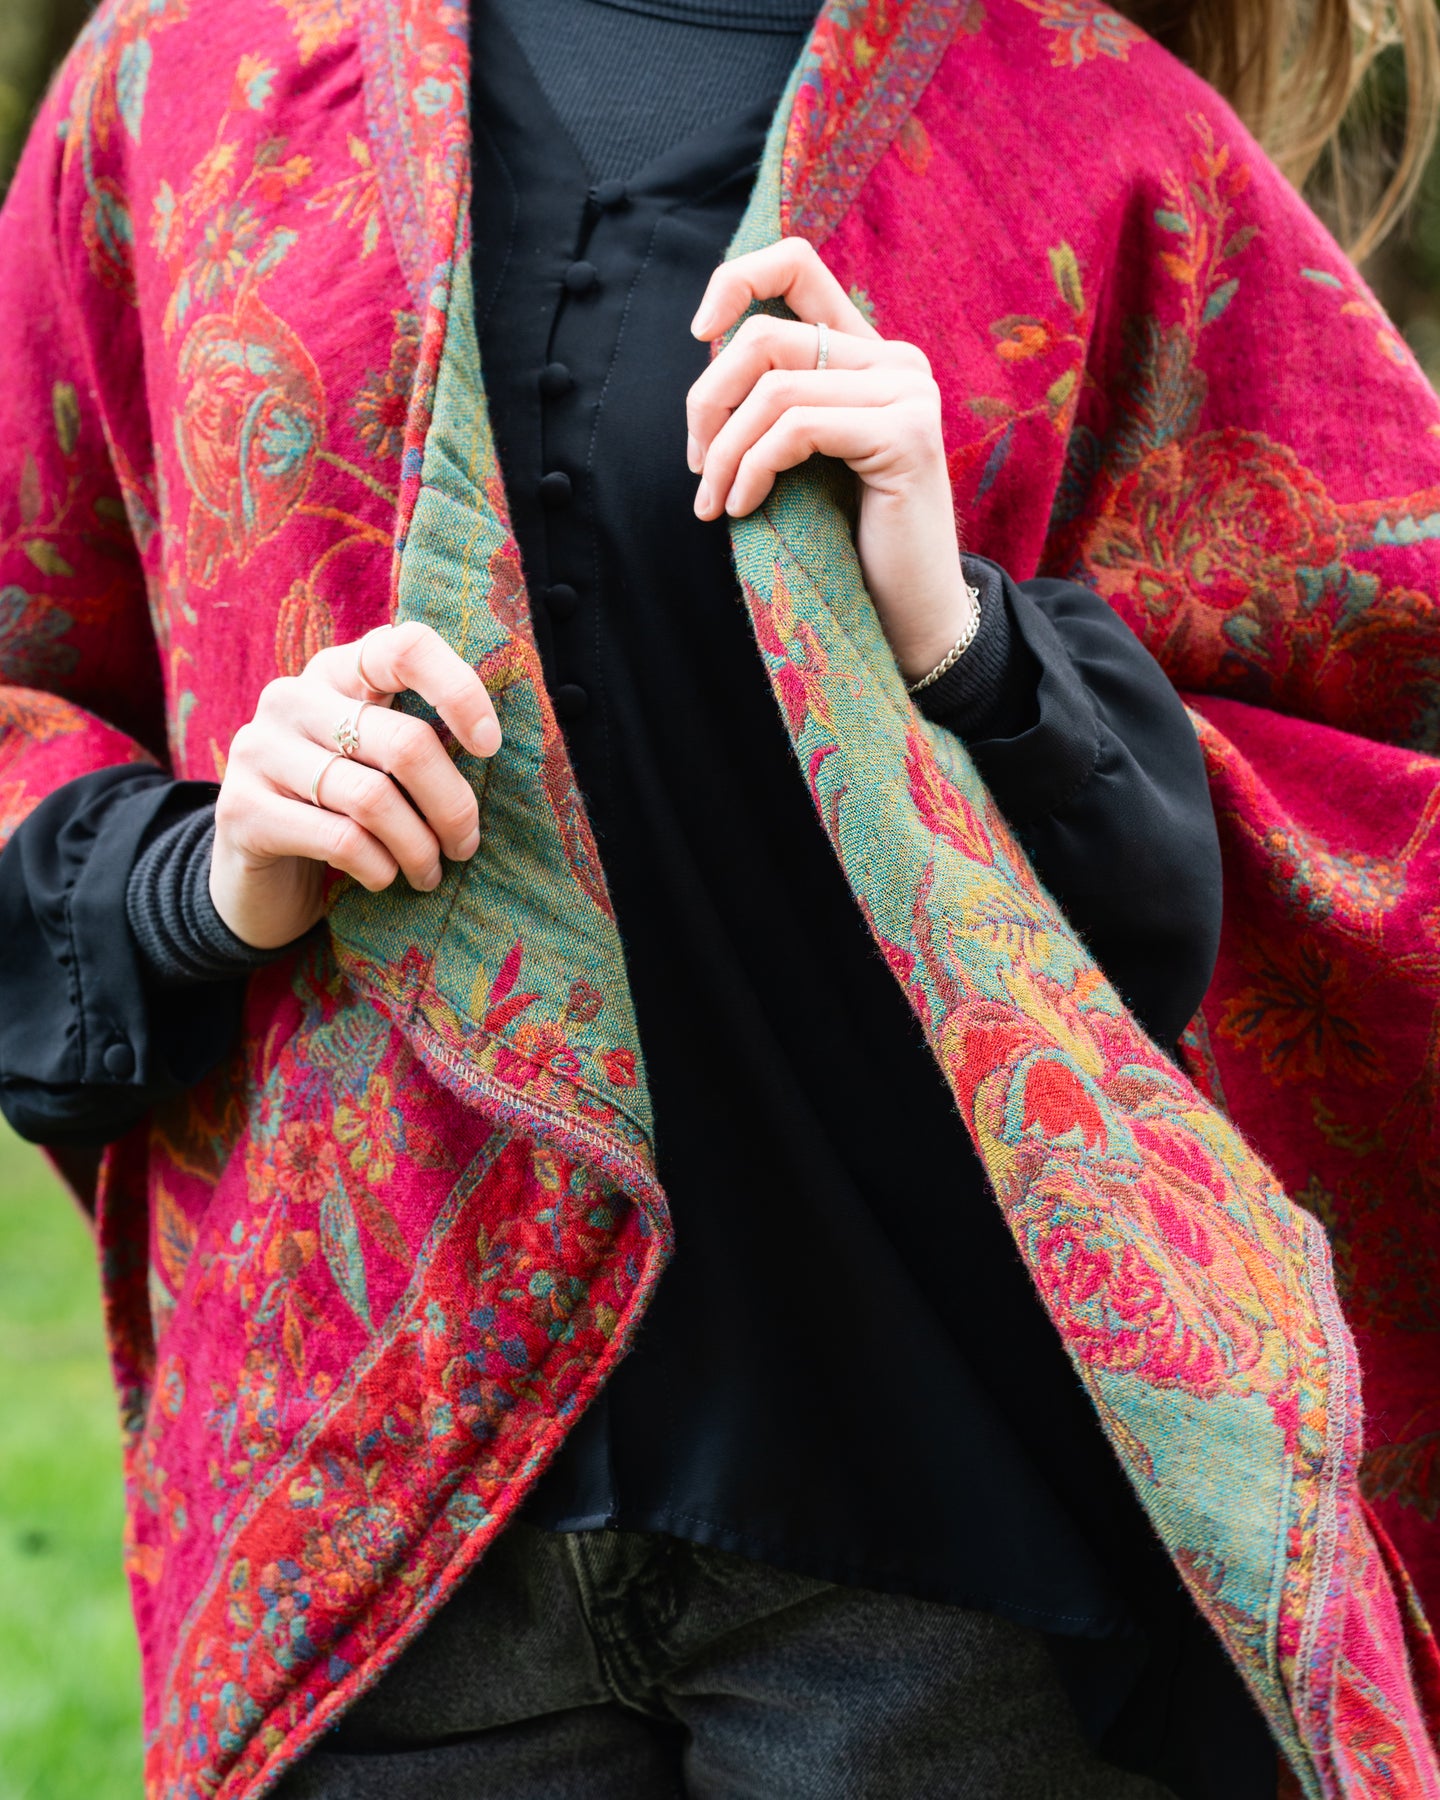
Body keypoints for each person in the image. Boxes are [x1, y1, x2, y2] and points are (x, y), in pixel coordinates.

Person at [1, 3, 1438, 1797]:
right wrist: (197, 873)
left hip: (946, 1557)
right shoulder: (182, 80)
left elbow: (1371, 759)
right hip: (371, 1537)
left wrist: (977, 648)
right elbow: (29, 670)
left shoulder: (1095, 132)